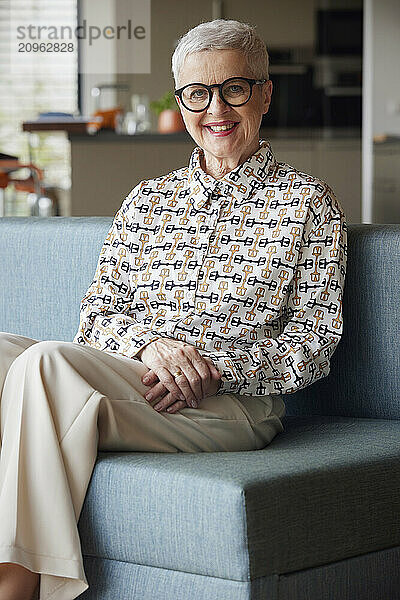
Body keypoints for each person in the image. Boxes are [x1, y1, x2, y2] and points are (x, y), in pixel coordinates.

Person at [0, 18, 347, 600]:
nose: (216, 108)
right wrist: (153, 349)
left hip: (230, 405)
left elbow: (312, 345)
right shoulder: (147, 199)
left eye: (234, 88)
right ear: (181, 101)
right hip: (142, 382)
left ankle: (17, 584)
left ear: (264, 93)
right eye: (197, 93)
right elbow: (99, 317)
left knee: (45, 366)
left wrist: (206, 367)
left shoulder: (307, 203)